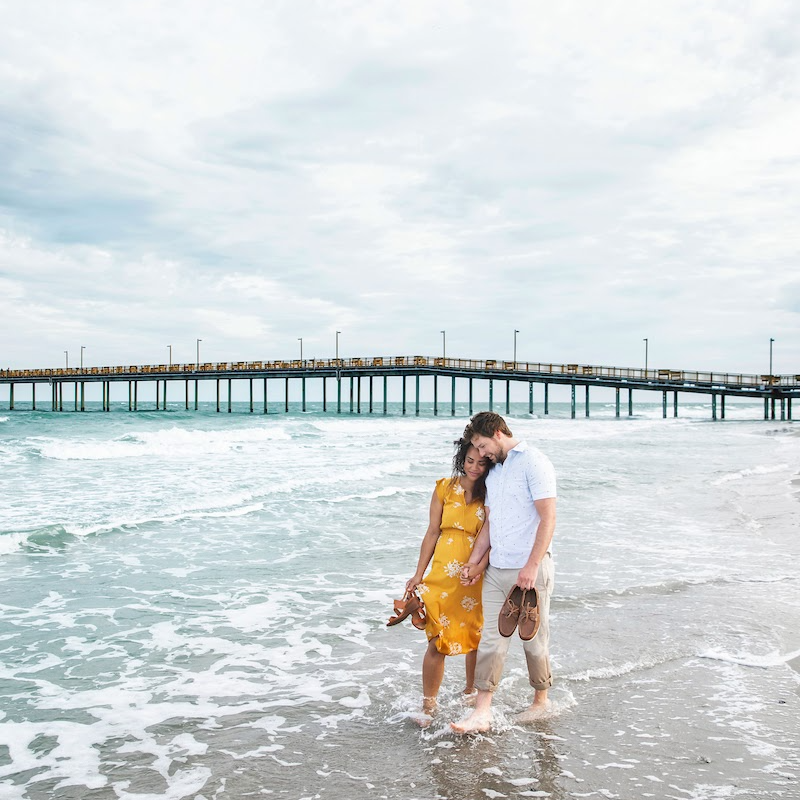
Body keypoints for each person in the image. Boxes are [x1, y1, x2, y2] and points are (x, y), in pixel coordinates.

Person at [451, 412, 557, 734]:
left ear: (498, 433)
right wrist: (474, 561)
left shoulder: (534, 462)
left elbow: (548, 518)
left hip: (530, 570)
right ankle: (482, 711)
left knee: (533, 640)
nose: (481, 454)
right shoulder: (495, 472)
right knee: (490, 640)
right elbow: (490, 524)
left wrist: (532, 566)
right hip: (497, 569)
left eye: (483, 446)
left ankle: (541, 700)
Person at [405, 438, 490, 726]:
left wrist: (478, 567)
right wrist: (418, 573)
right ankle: (428, 706)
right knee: (436, 640)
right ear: (461, 460)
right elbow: (432, 532)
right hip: (441, 576)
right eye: (469, 461)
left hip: (475, 577)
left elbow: (492, 537)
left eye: (481, 463)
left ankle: (471, 694)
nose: (474, 467)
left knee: (475, 637)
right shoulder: (444, 488)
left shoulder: (490, 493)